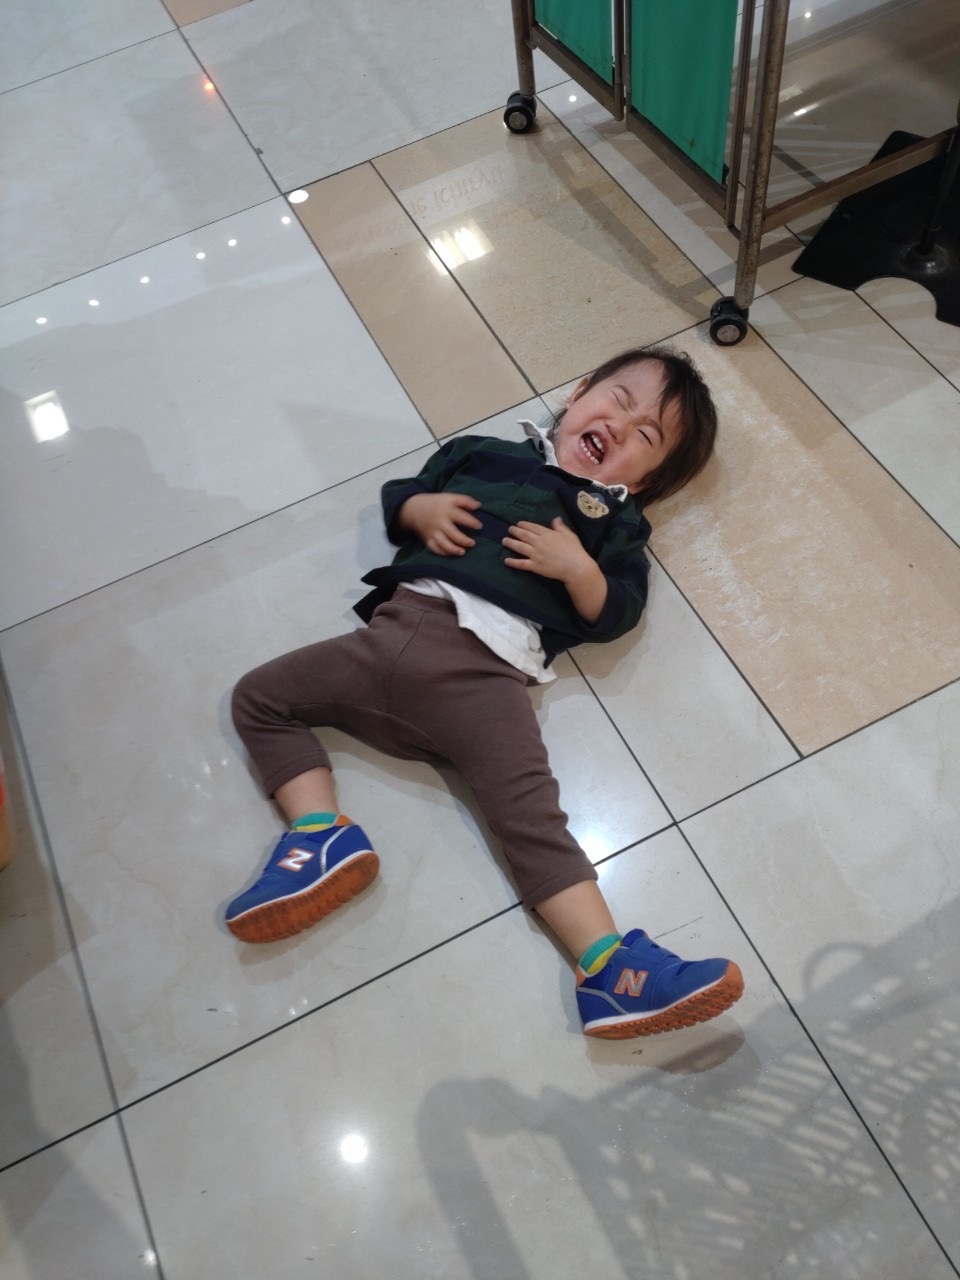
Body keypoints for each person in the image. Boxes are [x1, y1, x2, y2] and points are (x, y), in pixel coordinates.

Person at [227, 344, 744, 1039]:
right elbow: (402, 497)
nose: (620, 427)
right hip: (385, 642)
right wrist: (422, 510)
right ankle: (317, 834)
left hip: (485, 685)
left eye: (645, 436)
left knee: (531, 821)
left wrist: (578, 569)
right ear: (578, 391)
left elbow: (617, 612)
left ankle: (610, 970)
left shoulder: (616, 526)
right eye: (618, 402)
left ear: (645, 481)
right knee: (258, 697)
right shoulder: (482, 454)